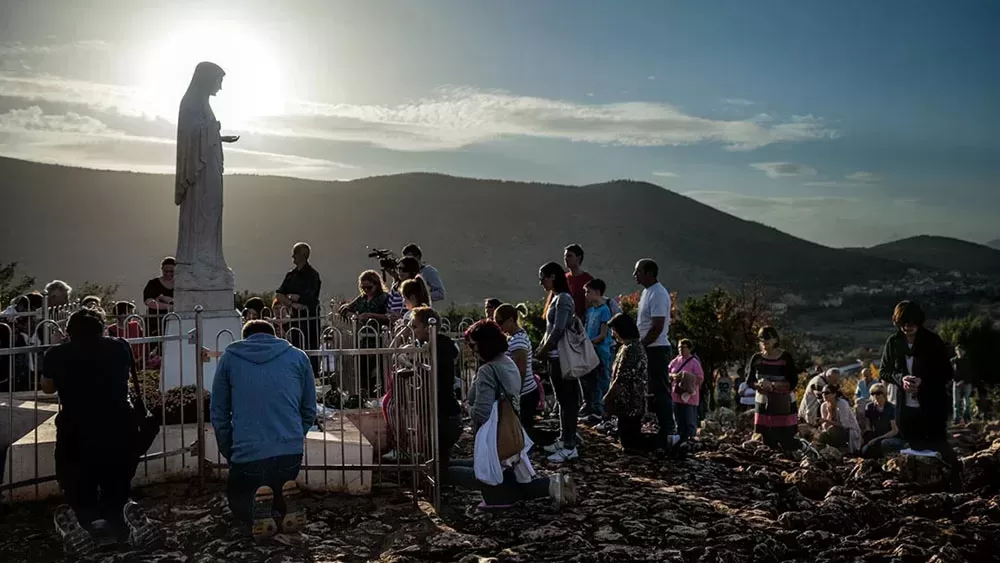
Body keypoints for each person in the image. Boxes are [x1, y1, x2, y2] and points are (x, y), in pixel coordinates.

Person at [41, 309, 158, 555]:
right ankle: (121, 518)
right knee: (116, 475)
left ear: (69, 332)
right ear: (102, 328)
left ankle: (88, 523)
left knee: (78, 476)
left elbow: (48, 389)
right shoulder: (120, 347)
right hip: (119, 422)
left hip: (77, 425)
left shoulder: (57, 354)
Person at [445, 320, 578, 509]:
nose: (472, 350)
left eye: (473, 345)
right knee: (505, 481)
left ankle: (439, 473)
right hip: (510, 431)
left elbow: (481, 413)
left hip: (494, 436)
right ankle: (552, 484)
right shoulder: (507, 362)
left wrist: (466, 406)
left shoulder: (488, 371)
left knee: (487, 480)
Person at [211, 320, 316, 538]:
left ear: (245, 337)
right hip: (290, 454)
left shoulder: (230, 359)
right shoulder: (298, 357)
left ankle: (256, 513)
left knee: (239, 501)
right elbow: (308, 409)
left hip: (247, 454)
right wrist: (295, 437)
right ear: (275, 335)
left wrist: (229, 450)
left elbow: (219, 413)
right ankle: (282, 506)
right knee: (277, 486)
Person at [878, 301, 960, 472]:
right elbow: (884, 371)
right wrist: (901, 379)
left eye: (912, 324)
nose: (908, 328)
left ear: (919, 322)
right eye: (904, 324)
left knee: (937, 445)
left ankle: (953, 479)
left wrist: (924, 381)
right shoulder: (893, 342)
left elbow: (946, 372)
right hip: (906, 408)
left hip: (932, 406)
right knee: (911, 448)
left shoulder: (932, 341)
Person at [535, 262, 580, 463]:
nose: (541, 282)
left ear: (552, 276)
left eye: (542, 277)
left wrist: (544, 351)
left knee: (568, 401)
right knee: (562, 401)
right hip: (555, 358)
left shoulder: (563, 299)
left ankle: (570, 444)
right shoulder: (557, 298)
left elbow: (558, 329)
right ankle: (564, 438)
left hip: (561, 358)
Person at [633, 258, 675, 447]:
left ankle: (667, 429)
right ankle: (655, 427)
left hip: (656, 348)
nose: (635, 275)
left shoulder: (658, 293)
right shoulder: (646, 292)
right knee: (649, 390)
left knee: (660, 391)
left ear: (649, 273)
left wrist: (641, 346)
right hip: (649, 347)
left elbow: (657, 326)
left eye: (638, 271)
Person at [746, 326, 799, 451]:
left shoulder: (785, 358)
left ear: (775, 339)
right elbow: (749, 380)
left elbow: (793, 381)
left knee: (786, 438)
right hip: (763, 402)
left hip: (782, 403)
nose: (765, 343)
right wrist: (758, 385)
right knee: (767, 437)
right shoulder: (757, 358)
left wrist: (772, 385)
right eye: (762, 339)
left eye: (768, 339)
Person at [339, 270, 391, 397]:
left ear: (377, 284)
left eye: (369, 287)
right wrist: (354, 315)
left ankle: (384, 394)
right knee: (363, 369)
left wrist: (372, 315)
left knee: (382, 369)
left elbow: (390, 316)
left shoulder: (384, 298)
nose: (366, 290)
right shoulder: (362, 298)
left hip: (380, 338)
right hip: (364, 338)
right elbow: (347, 309)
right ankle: (365, 394)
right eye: (363, 287)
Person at [275, 242, 322, 376]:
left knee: (311, 350)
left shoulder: (312, 275)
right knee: (296, 348)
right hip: (295, 319)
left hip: (310, 320)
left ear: (303, 255)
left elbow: (310, 297)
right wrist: (292, 302)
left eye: (295, 253)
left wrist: (293, 297)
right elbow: (279, 294)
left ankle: (313, 376)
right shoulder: (291, 275)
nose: (292, 256)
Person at [494, 303, 540, 437]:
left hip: (524, 394)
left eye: (500, 321)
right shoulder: (516, 337)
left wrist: (514, 396)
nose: (498, 325)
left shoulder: (518, 341)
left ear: (510, 320)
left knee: (522, 431)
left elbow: (520, 371)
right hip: (526, 392)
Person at [604, 313, 649, 453]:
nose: (613, 334)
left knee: (629, 440)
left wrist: (608, 397)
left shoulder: (632, 349)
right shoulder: (627, 347)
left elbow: (621, 378)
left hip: (630, 401)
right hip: (628, 401)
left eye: (615, 331)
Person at [582, 279, 613, 421]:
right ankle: (592, 407)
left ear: (598, 293)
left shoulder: (605, 310)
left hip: (601, 350)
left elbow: (602, 334)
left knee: (602, 379)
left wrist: (589, 342)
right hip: (590, 350)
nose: (586, 295)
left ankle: (604, 410)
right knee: (590, 380)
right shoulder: (590, 311)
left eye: (589, 292)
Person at [669, 339, 704, 444]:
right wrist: (674, 376)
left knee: (689, 422)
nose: (680, 349)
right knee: (678, 421)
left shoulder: (694, 362)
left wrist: (687, 379)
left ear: (689, 348)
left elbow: (700, 378)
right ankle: (679, 441)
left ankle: (690, 441)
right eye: (679, 347)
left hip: (689, 398)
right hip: (676, 396)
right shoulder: (676, 360)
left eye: (683, 347)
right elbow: (668, 372)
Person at [816, 384, 862, 453]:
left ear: (834, 394)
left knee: (832, 430)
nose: (824, 395)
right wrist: (830, 413)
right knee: (822, 435)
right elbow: (825, 427)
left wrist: (826, 420)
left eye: (827, 393)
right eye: (822, 393)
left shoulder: (842, 404)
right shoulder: (823, 406)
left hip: (849, 431)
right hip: (833, 431)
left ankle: (843, 449)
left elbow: (844, 425)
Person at [861, 382, 903, 457]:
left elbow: (894, 430)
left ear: (884, 394)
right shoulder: (870, 407)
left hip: (890, 436)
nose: (875, 396)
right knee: (865, 451)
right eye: (873, 394)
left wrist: (877, 439)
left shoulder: (891, 408)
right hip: (876, 435)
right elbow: (868, 426)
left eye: (878, 393)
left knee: (883, 443)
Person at [142, 257, 175, 341]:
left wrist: (164, 298)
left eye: (171, 271)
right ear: (161, 269)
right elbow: (148, 301)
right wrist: (168, 306)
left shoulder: (181, 284)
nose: (168, 274)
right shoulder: (153, 284)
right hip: (155, 323)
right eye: (165, 271)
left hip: (174, 322)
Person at [563, 244, 593, 320]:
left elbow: (592, 304)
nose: (566, 259)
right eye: (565, 256)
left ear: (578, 258)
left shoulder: (587, 279)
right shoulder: (563, 278)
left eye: (569, 256)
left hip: (581, 322)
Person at [952, 344, 975, 425]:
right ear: (956, 352)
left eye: (961, 351)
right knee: (956, 402)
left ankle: (967, 417)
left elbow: (969, 373)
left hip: (967, 382)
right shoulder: (953, 361)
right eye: (958, 351)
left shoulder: (967, 360)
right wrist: (954, 381)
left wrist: (964, 381)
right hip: (956, 383)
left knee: (967, 401)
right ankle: (956, 419)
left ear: (964, 352)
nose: (960, 352)